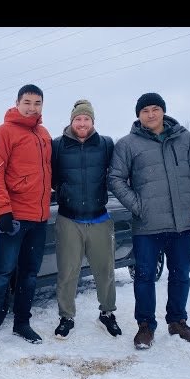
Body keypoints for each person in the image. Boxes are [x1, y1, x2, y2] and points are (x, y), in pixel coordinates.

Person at [108, 92, 190, 350]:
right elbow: (115, 179)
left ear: (163, 111)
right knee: (144, 276)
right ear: (138, 115)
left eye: (155, 109)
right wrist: (138, 206)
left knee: (181, 274)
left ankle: (177, 321)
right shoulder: (127, 144)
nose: (151, 114)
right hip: (147, 225)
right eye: (145, 111)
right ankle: (145, 326)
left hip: (180, 222)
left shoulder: (184, 138)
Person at [0, 84, 52, 355]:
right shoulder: (3, 132)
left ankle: (22, 323)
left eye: (37, 103)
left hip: (39, 218)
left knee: (29, 274)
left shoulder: (43, 134)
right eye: (27, 102)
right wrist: (4, 210)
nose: (32, 108)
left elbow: (47, 173)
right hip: (15, 217)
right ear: (17, 103)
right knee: (2, 274)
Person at [51, 99, 121, 340]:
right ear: (72, 121)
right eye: (78, 119)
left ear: (93, 121)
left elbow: (117, 175)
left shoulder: (106, 144)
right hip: (68, 219)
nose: (82, 123)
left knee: (105, 270)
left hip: (99, 217)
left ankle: (107, 313)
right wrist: (64, 193)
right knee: (67, 272)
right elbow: (51, 177)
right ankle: (66, 317)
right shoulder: (57, 145)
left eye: (86, 119)